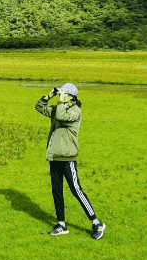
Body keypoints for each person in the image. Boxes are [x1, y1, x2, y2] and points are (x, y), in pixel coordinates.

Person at [36, 82, 106, 239]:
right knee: (56, 191)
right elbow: (39, 108)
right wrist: (49, 96)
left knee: (76, 190)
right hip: (54, 156)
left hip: (68, 158)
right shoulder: (58, 107)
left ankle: (97, 223)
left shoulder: (75, 111)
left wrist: (60, 102)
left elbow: (61, 116)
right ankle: (61, 224)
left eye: (64, 93)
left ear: (71, 96)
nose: (61, 95)